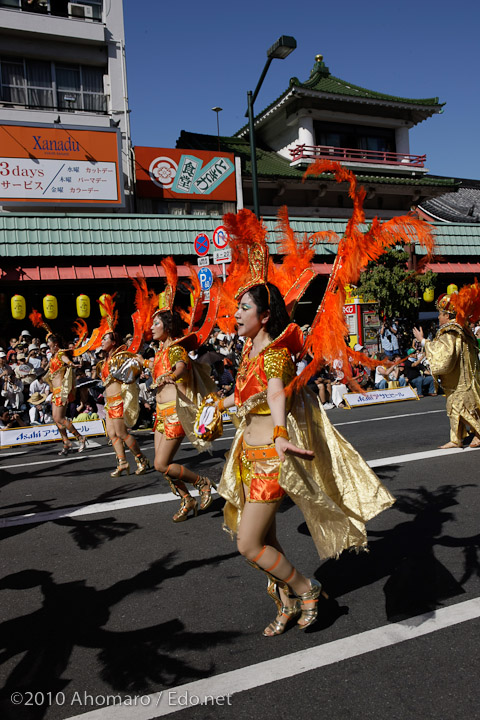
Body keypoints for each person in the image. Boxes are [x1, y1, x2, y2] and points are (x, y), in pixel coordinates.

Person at [213, 215, 394, 638]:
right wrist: (212, 408)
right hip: (245, 459)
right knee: (264, 543)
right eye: (237, 307)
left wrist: (279, 435)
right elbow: (247, 400)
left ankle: (307, 589)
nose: (235, 314)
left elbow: (276, 395)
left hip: (270, 460)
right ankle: (287, 603)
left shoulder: (275, 354)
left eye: (243, 308)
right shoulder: (248, 356)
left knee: (248, 543)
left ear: (263, 315)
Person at [145, 258, 218, 522]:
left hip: (175, 413)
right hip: (159, 414)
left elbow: (181, 366)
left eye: (156, 324)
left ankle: (203, 482)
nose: (151, 328)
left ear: (167, 326)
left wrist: (170, 375)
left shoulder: (175, 347)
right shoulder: (158, 351)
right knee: (162, 467)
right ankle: (187, 500)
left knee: (161, 464)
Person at [414, 292, 480, 449]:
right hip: (462, 377)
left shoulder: (451, 331)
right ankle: (456, 438)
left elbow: (445, 354)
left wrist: (423, 341)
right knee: (454, 406)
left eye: (440, 314)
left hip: (461, 381)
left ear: (447, 315)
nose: (438, 318)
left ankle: (478, 433)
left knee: (462, 406)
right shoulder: (460, 329)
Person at [99, 325, 149, 478]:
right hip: (110, 402)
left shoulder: (120, 357)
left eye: (105, 339)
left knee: (122, 433)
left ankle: (141, 459)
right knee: (112, 434)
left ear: (113, 342)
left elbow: (132, 373)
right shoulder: (105, 360)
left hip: (119, 401)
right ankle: (122, 463)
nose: (101, 341)